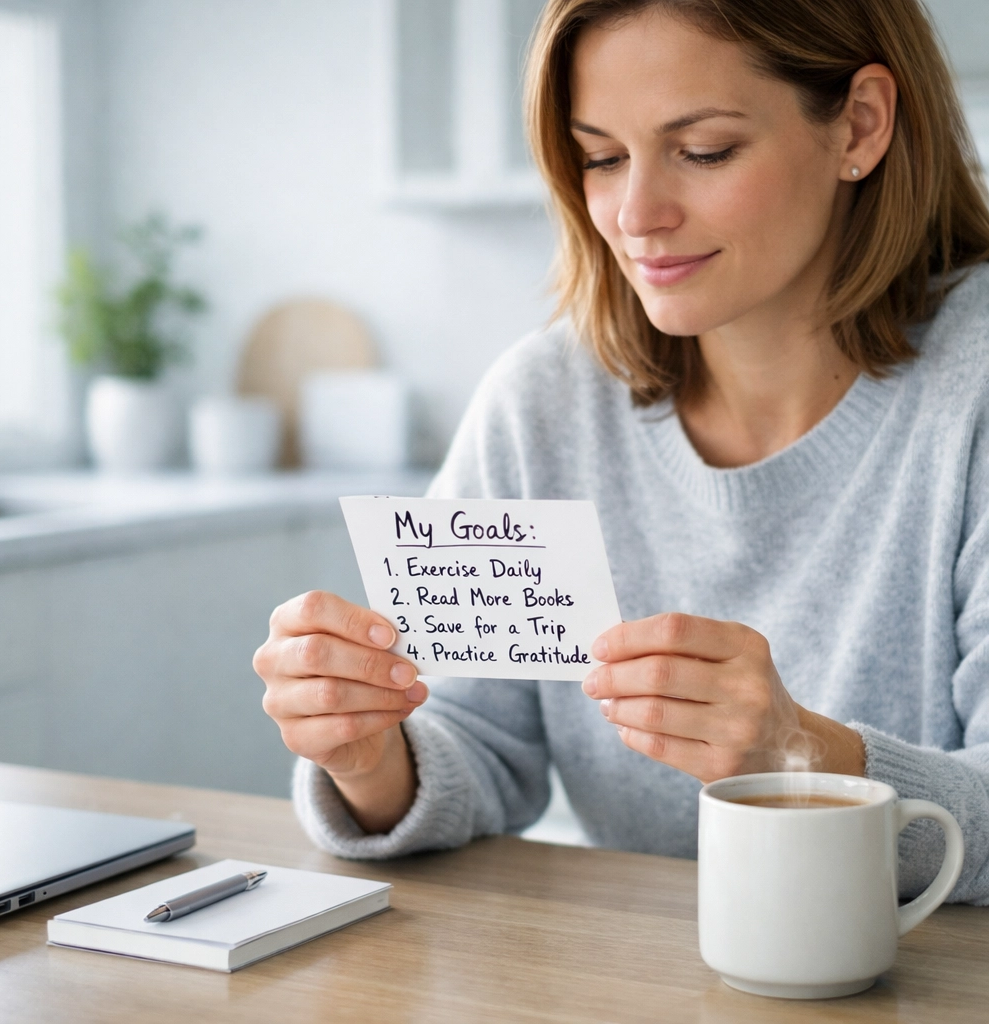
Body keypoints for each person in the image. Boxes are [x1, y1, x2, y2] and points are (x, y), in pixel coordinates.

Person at [253, 0, 989, 903]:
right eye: (601, 157)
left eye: (705, 150)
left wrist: (802, 759)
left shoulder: (974, 394)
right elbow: (477, 742)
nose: (636, 213)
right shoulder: (542, 404)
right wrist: (368, 756)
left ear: (861, 126)